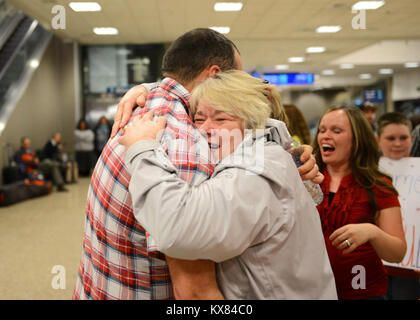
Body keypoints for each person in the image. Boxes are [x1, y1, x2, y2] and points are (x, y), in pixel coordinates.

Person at [73, 28, 320, 300]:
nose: (239, 86)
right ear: (214, 75)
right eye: (236, 76)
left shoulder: (143, 110)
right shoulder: (186, 145)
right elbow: (194, 292)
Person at [119, 70, 337, 299]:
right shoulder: (267, 150)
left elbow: (179, 228)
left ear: (251, 123)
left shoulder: (252, 173)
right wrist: (147, 88)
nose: (204, 129)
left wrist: (142, 148)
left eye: (221, 119)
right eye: (199, 118)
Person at [313, 106, 407, 300]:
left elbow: (397, 253)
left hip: (364, 293)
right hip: (312, 292)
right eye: (322, 130)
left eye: (336, 131)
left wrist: (372, 232)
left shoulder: (378, 186)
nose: (325, 136)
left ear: (357, 139)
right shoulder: (307, 180)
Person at [376, 112, 420, 300]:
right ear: (378, 140)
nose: (397, 143)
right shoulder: (367, 173)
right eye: (390, 138)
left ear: (411, 138)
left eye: (403, 138)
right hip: (375, 265)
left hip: (410, 269)